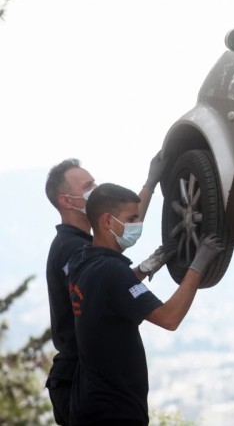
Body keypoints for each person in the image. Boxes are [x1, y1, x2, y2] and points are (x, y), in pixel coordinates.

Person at [67, 183, 224, 426]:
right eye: (132, 218)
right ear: (108, 221)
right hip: (114, 413)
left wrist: (145, 267)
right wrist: (198, 266)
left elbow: (109, 290)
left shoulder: (81, 262)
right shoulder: (111, 271)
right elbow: (169, 318)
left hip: (88, 405)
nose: (138, 225)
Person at [44, 154, 171, 425]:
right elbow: (100, 288)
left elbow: (125, 221)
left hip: (88, 380)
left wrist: (149, 185)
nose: (95, 191)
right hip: (80, 381)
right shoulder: (71, 249)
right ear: (66, 201)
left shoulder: (85, 244)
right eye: (87, 186)